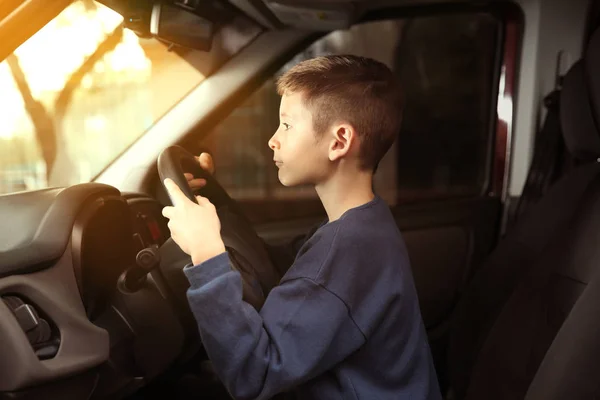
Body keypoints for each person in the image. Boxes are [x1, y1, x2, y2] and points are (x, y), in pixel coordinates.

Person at [161, 55, 441, 400]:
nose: (272, 140)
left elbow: (254, 374)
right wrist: (214, 208)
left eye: (287, 125)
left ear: (339, 141)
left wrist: (205, 255)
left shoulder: (347, 249)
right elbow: (280, 267)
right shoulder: (363, 225)